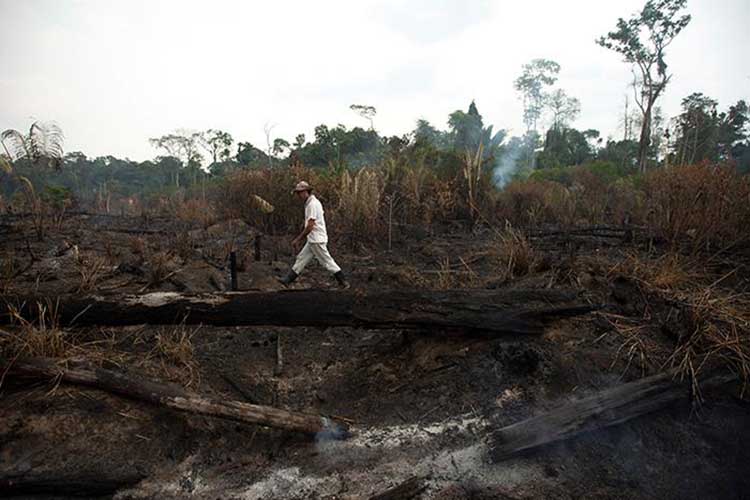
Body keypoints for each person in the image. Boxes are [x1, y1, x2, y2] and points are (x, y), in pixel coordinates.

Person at [278, 181, 350, 289]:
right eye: (298, 193)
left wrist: (298, 239)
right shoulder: (311, 203)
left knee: (327, 262)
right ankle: (288, 280)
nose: (299, 195)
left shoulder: (312, 204)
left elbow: (310, 226)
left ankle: (343, 281)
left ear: (307, 191)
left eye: (300, 192)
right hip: (313, 239)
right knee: (301, 258)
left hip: (316, 239)